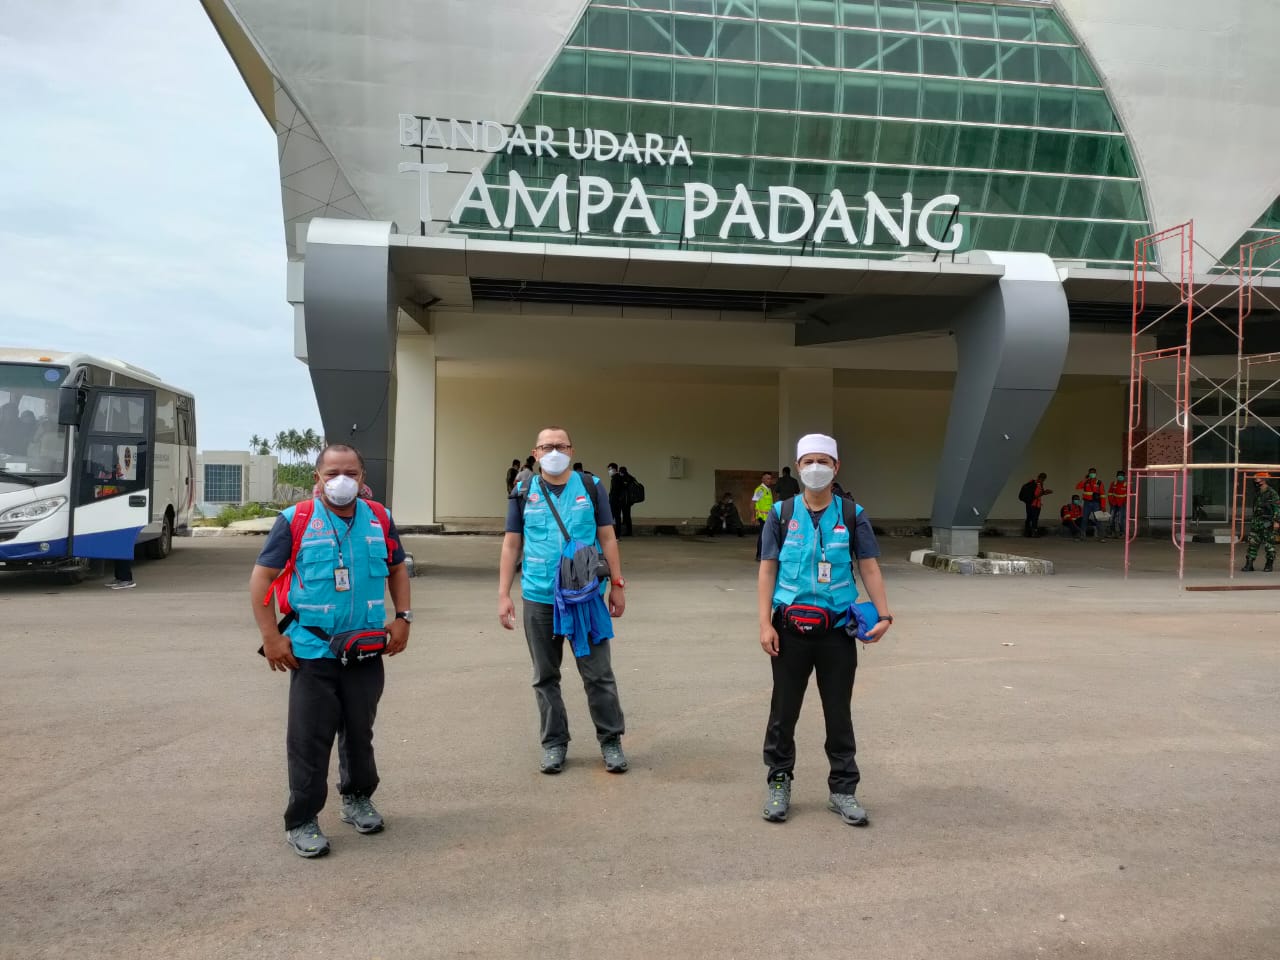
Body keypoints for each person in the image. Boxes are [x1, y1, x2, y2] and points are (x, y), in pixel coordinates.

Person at [249, 443, 412, 859]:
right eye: (332, 473)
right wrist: (271, 636)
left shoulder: (380, 519)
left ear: (363, 478)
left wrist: (403, 617)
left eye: (352, 473)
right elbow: (262, 579)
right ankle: (302, 819)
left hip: (366, 649)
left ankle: (357, 798)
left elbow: (396, 568)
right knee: (310, 738)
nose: (343, 480)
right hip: (311, 651)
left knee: (360, 732)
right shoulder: (296, 520)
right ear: (317, 479)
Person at [757, 434, 892, 827]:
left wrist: (884, 615)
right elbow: (768, 569)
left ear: (837, 467)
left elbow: (868, 565)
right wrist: (765, 623)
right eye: (808, 461)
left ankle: (843, 790)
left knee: (838, 711)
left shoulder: (852, 514)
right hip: (789, 630)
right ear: (798, 468)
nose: (816, 467)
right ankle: (779, 780)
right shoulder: (781, 513)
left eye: (824, 461)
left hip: (836, 632)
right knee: (784, 711)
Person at [499, 427, 629, 775]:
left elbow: (608, 537)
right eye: (547, 446)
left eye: (561, 445)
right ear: (536, 453)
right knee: (545, 676)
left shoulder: (591, 487)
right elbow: (512, 544)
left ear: (571, 449)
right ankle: (554, 743)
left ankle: (611, 741)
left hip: (585, 596)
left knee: (598, 673)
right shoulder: (524, 490)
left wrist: (617, 584)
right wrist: (503, 594)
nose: (554, 451)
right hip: (539, 597)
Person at [1241, 473, 1279, 572]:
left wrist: (1276, 522)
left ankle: (1269, 564)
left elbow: (1277, 508)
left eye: (1257, 479)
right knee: (1253, 542)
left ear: (1263, 480)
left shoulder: (1272, 493)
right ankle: (1249, 564)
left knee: (1269, 544)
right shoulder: (1258, 492)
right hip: (1257, 522)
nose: (1255, 481)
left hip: (1268, 522)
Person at [1075, 467, 1107, 541]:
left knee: (1098, 520)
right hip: (1087, 503)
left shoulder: (1099, 482)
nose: (1092, 474)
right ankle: (1082, 536)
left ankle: (1101, 537)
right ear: (1088, 473)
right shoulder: (1086, 482)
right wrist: (1085, 479)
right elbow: (1077, 487)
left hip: (1096, 504)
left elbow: (1102, 495)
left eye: (1093, 473)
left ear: (1096, 474)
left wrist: (1103, 506)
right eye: (1091, 473)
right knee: (1084, 519)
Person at [751, 472, 775, 561]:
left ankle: (764, 554)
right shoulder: (761, 490)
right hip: (762, 517)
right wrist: (753, 516)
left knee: (766, 537)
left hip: (768, 518)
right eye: (767, 478)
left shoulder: (768, 490)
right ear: (763, 479)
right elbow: (753, 502)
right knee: (762, 536)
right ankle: (759, 555)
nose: (769, 480)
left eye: (770, 479)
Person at [1020, 473, 1051, 538]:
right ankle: (1029, 532)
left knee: (1034, 518)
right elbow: (1034, 496)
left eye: (1043, 479)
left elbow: (1039, 494)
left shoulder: (1040, 485)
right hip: (1031, 504)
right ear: (1039, 477)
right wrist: (1043, 493)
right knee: (1030, 518)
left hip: (1037, 505)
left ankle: (1031, 532)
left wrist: (1045, 492)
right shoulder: (1033, 484)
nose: (1042, 480)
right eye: (1041, 478)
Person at [612, 465, 637, 537]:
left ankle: (628, 532)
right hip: (628, 501)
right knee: (627, 516)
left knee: (625, 516)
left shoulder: (625, 478)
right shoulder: (630, 477)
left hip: (624, 500)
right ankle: (628, 531)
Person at [1107, 470, 1128, 539]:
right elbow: (1109, 493)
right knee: (1111, 519)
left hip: (1122, 504)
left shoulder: (1126, 484)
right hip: (1114, 504)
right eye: (1119, 475)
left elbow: (1129, 495)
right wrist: (1110, 502)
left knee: (1120, 520)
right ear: (1116, 476)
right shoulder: (1113, 484)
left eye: (1122, 475)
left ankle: (1122, 533)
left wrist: (1125, 503)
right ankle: (1112, 533)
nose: (1120, 477)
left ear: (1124, 477)